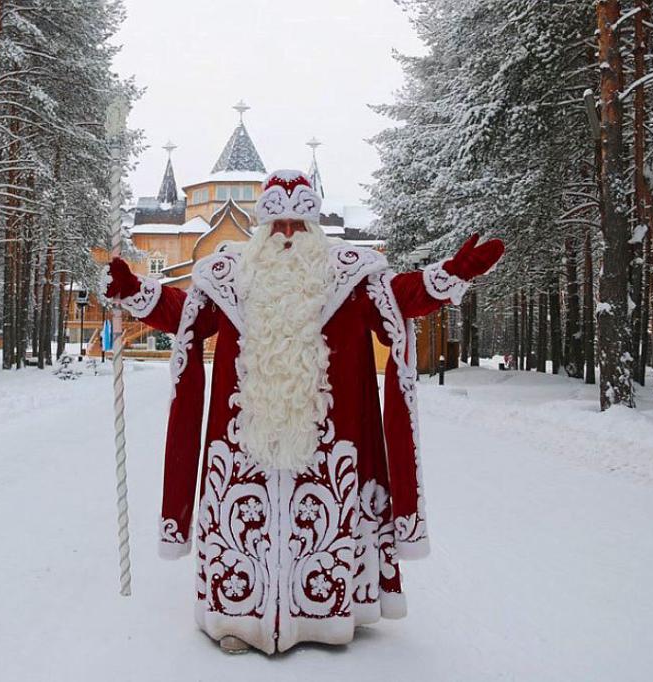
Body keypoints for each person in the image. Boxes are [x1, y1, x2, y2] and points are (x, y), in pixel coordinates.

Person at [103, 169, 503, 654]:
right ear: (262, 229)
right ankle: (237, 617)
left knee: (324, 525)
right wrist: (133, 291)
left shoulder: (350, 276)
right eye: (278, 225)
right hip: (242, 440)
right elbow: (184, 313)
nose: (288, 234)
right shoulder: (228, 277)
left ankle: (326, 619)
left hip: (328, 442)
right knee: (240, 528)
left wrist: (451, 276)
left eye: (298, 224)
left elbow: (399, 299)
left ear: (314, 227)